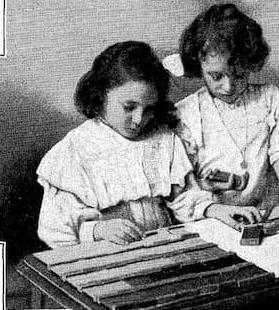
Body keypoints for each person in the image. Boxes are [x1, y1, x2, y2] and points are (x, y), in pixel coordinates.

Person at [37, 41, 257, 249]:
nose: (139, 119)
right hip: (107, 255)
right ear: (100, 96)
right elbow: (55, 226)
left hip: (162, 248)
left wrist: (216, 209)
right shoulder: (74, 149)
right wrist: (97, 230)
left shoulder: (162, 139)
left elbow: (183, 196)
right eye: (128, 107)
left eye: (149, 109)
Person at [172, 3, 279, 222]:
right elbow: (181, 191)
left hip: (267, 212)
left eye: (238, 75)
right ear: (198, 65)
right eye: (216, 76)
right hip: (212, 219)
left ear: (250, 64)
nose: (228, 87)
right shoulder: (185, 113)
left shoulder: (270, 98)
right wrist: (214, 209)